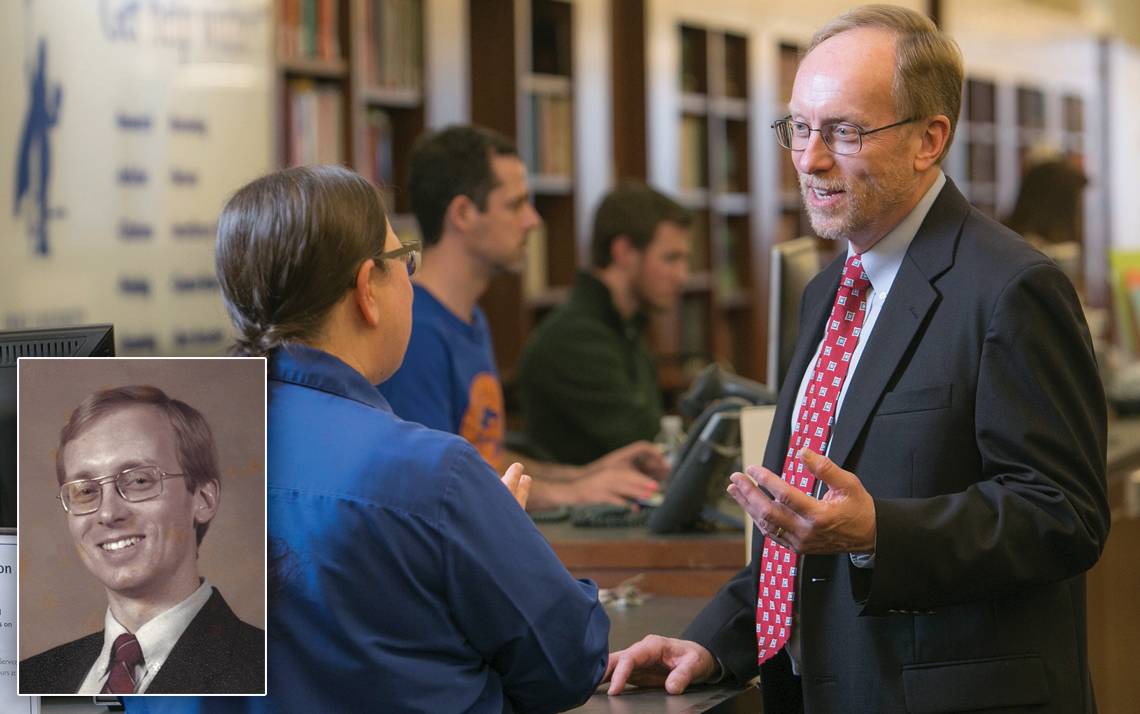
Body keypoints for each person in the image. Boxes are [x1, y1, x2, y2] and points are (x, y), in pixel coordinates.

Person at [605, 6, 1109, 713]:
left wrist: (882, 534)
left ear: (929, 139)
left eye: (843, 132)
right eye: (800, 128)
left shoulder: (1012, 288)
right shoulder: (827, 294)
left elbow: (1065, 516)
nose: (809, 159)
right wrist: (716, 642)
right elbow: (801, 532)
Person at [122, 164, 609, 713]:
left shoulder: (141, 472)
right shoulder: (432, 473)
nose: (412, 280)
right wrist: (509, 542)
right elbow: (568, 665)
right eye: (404, 261)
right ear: (366, 289)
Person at [379, 125, 668, 509]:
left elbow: (485, 460)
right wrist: (574, 494)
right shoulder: (417, 332)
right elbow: (440, 489)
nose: (533, 220)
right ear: (463, 213)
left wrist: (586, 475)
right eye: (515, 205)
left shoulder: (470, 319)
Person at [19, 386, 264, 694]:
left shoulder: (272, 669)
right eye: (85, 490)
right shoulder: (31, 678)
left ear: (203, 498)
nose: (108, 513)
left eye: (138, 481)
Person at [515, 182, 693, 466]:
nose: (682, 275)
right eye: (671, 258)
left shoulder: (623, 325)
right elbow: (648, 446)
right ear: (623, 252)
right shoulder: (575, 340)